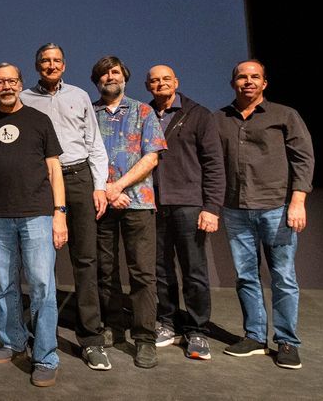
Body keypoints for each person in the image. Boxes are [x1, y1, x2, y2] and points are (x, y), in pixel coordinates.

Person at [215, 60, 313, 370]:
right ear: (233, 83)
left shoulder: (284, 115)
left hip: (276, 207)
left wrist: (298, 202)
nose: (248, 81)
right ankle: (255, 337)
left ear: (264, 83)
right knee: (246, 276)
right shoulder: (220, 119)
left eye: (254, 77)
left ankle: (286, 341)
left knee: (283, 277)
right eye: (242, 77)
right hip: (235, 209)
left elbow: (303, 159)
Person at [19, 43, 112, 370]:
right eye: (45, 60)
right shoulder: (24, 99)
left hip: (78, 177)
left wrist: (99, 186)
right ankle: (38, 336)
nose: (51, 65)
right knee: (39, 266)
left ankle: (91, 340)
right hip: (41, 183)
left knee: (86, 260)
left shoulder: (80, 96)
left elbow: (95, 145)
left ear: (64, 65)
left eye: (56, 60)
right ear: (37, 65)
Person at [0, 63, 67, 387]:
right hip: (0, 217)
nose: (6, 86)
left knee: (42, 287)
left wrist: (59, 212)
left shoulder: (39, 120)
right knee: (5, 286)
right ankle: (13, 341)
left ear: (20, 84)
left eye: (12, 81)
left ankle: (45, 356)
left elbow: (54, 170)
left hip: (37, 215)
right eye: (0, 81)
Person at [145, 64, 225, 360]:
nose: (161, 84)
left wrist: (212, 208)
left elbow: (214, 165)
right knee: (159, 269)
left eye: (166, 79)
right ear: (148, 85)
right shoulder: (144, 114)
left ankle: (197, 331)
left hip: (190, 205)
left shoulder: (198, 114)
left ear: (176, 82)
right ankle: (166, 323)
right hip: (153, 204)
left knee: (194, 271)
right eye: (154, 81)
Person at [91, 56, 166, 369]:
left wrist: (117, 187)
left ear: (124, 76)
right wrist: (107, 190)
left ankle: (145, 337)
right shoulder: (89, 113)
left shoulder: (143, 111)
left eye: (116, 72)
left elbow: (152, 157)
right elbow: (82, 154)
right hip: (101, 203)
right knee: (104, 270)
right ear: (97, 80)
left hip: (137, 202)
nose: (111, 76)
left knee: (142, 273)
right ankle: (113, 327)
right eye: (105, 73)